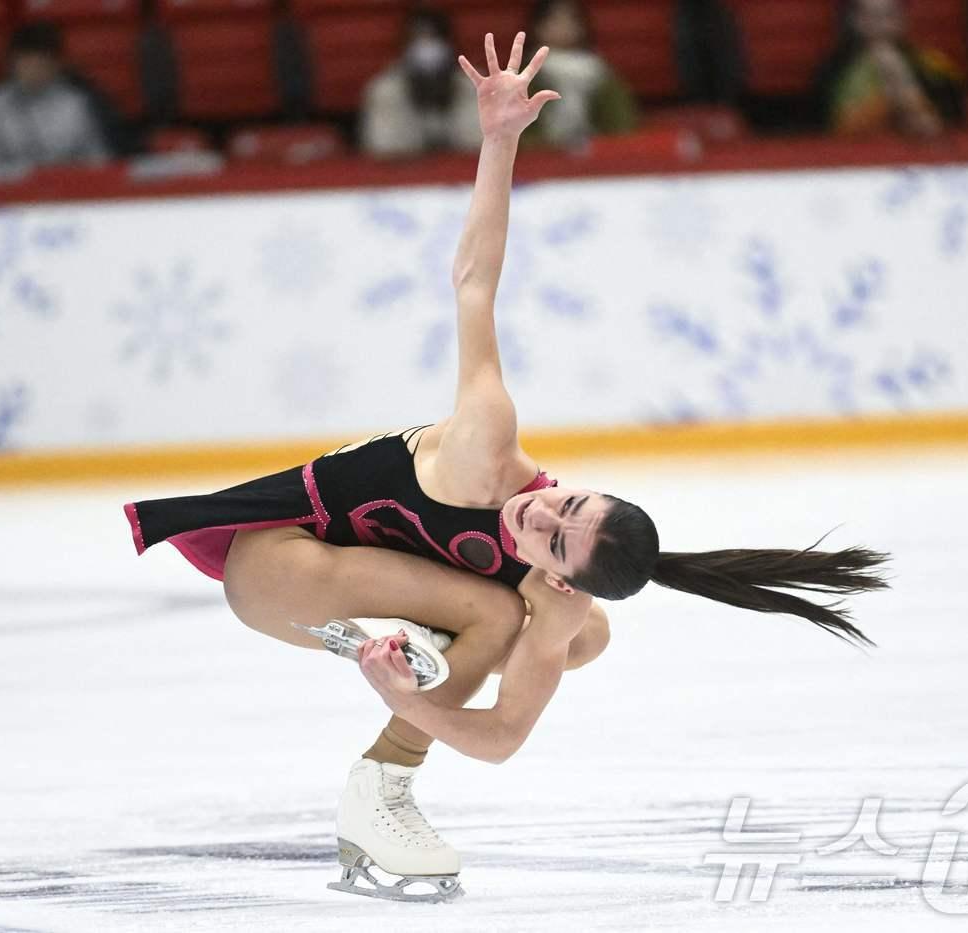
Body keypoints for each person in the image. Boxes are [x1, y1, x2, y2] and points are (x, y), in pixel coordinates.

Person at [124, 32, 890, 903]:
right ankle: (388, 765)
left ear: (565, 573)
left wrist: (405, 698)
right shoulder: (491, 449)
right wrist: (500, 141)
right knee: (494, 611)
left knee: (574, 641)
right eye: (569, 503)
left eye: (557, 542)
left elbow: (498, 740)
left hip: (358, 597)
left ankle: (384, 764)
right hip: (279, 567)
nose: (542, 517)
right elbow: (474, 283)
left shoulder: (562, 606)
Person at [0, 22, 110, 175]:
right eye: (26, 62)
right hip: (7, 192)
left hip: (65, 189)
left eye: (41, 63)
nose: (33, 70)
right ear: (11, 64)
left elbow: (97, 162)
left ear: (56, 65)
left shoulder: (76, 105)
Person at [815, 0, 964, 138]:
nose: (881, 25)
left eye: (889, 16)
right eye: (871, 16)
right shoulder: (834, 69)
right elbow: (828, 127)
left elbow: (948, 121)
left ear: (902, 19)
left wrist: (900, 79)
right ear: (854, 20)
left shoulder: (931, 64)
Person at [360, 7, 483, 159]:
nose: (426, 48)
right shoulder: (384, 89)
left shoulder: (474, 84)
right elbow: (384, 147)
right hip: (404, 176)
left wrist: (447, 91)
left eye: (434, 38)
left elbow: (479, 143)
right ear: (404, 45)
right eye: (419, 39)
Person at [521, 0, 638, 148]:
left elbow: (621, 123)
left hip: (592, 155)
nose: (563, 27)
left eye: (570, 19)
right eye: (555, 20)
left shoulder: (599, 71)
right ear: (537, 27)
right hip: (541, 156)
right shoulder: (523, 76)